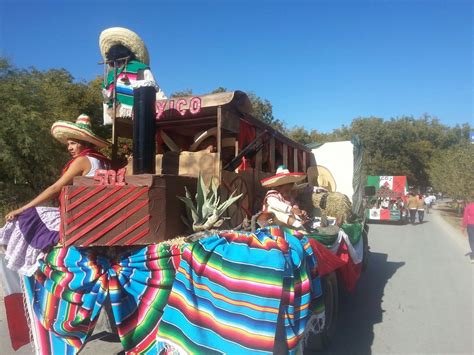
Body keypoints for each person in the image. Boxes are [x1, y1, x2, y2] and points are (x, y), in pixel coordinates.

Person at [1, 114, 110, 275]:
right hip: (94, 212)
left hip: (80, 216)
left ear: (84, 143)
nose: (69, 148)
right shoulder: (102, 161)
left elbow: (56, 188)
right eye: (68, 144)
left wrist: (21, 209)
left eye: (73, 143)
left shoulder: (83, 161)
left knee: (28, 216)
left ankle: (36, 265)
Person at [99, 27, 166, 124]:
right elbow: (106, 99)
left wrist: (166, 106)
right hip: (120, 115)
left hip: (137, 113)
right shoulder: (110, 76)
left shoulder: (138, 68)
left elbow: (153, 89)